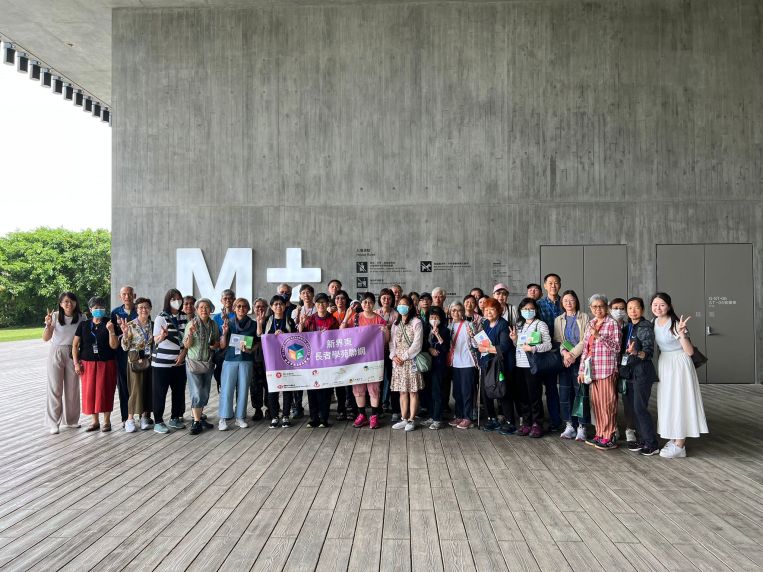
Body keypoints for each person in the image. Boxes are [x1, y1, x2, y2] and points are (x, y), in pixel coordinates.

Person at [651, 292, 708, 458]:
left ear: (669, 306)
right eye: (655, 305)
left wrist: (682, 333)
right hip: (665, 363)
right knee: (669, 401)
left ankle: (680, 444)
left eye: (662, 305)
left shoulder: (676, 323)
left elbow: (689, 351)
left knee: (680, 400)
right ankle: (674, 436)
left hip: (680, 363)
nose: (658, 308)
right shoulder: (653, 322)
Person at [577, 294, 622, 450]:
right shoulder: (591, 323)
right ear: (590, 308)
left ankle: (610, 436)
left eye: (601, 306)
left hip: (607, 370)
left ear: (606, 307)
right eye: (594, 307)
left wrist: (599, 336)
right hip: (592, 371)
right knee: (597, 405)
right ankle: (600, 433)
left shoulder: (612, 323)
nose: (598, 309)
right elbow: (586, 349)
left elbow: (617, 347)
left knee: (607, 405)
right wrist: (581, 371)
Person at [72, 296, 119, 432]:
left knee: (105, 391)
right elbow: (75, 345)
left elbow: (114, 346)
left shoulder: (110, 323)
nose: (98, 310)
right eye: (96, 308)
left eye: (101, 307)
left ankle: (107, 421)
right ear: (90, 309)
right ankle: (94, 421)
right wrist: (76, 363)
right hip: (87, 364)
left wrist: (111, 331)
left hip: (106, 363)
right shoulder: (84, 325)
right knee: (90, 392)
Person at [342, 292, 389, 429]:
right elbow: (342, 332)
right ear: (361, 304)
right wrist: (346, 317)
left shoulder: (379, 320)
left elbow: (386, 341)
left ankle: (374, 416)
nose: (367, 304)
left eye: (370, 302)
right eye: (364, 302)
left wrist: (385, 331)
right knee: (358, 388)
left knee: (374, 388)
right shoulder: (355, 318)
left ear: (374, 303)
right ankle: (362, 415)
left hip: (374, 359)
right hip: (357, 359)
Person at [621, 297, 660, 455]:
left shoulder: (645, 326)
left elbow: (648, 352)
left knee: (640, 408)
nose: (633, 311)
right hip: (629, 372)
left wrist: (636, 352)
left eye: (636, 308)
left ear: (642, 310)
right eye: (630, 308)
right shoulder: (628, 327)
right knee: (633, 408)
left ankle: (652, 443)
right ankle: (643, 439)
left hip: (642, 372)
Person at [509, 298, 552, 438]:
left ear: (536, 310)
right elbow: (519, 345)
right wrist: (514, 339)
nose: (528, 311)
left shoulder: (540, 324)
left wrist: (533, 348)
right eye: (525, 309)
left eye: (530, 309)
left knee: (534, 396)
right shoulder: (519, 325)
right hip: (519, 364)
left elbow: (548, 345)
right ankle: (526, 423)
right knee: (523, 396)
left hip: (532, 365)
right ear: (521, 311)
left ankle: (537, 424)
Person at [42, 292, 84, 434]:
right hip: (57, 352)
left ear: (76, 303)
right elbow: (46, 338)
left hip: (73, 353)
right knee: (55, 388)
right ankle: (54, 423)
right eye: (65, 301)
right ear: (60, 304)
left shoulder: (82, 318)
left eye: (72, 301)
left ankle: (71, 420)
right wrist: (48, 325)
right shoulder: (54, 316)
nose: (69, 304)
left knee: (73, 388)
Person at [553, 290, 589, 441]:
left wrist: (572, 355)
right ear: (562, 303)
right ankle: (569, 425)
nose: (568, 303)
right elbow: (558, 340)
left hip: (580, 360)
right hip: (565, 361)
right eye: (565, 300)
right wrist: (565, 354)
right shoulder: (558, 319)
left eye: (571, 300)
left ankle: (582, 426)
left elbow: (586, 339)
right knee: (565, 394)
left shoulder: (584, 317)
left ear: (576, 301)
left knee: (580, 393)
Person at [151, 289, 188, 434]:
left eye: (179, 299)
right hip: (161, 363)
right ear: (168, 300)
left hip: (179, 362)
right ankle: (158, 421)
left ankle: (175, 418)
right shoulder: (161, 317)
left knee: (178, 392)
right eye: (173, 299)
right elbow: (155, 339)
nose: (177, 302)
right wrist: (162, 336)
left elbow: (187, 340)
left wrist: (183, 355)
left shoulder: (184, 317)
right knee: (160, 393)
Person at [182, 298, 221, 435]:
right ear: (197, 310)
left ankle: (199, 417)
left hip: (208, 363)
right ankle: (196, 422)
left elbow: (216, 343)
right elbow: (187, 345)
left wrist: (214, 345)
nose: (204, 309)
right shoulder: (191, 324)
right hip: (194, 363)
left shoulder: (213, 324)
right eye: (201, 307)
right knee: (197, 392)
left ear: (211, 309)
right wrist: (190, 333)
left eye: (207, 307)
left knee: (204, 392)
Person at [300, 293, 339, 428]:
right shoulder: (310, 319)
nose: (321, 305)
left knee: (325, 390)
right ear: (315, 304)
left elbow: (337, 338)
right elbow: (302, 337)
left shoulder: (333, 320)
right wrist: (301, 325)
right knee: (312, 389)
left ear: (327, 304)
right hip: (312, 360)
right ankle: (314, 418)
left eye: (323, 302)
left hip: (327, 359)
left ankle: (324, 418)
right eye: (318, 302)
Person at [480, 298, 517, 435]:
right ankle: (492, 419)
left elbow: (504, 346)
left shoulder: (503, 324)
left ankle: (510, 422)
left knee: (503, 392)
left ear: (499, 310)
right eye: (486, 310)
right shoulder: (485, 323)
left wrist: (486, 349)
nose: (488, 312)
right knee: (486, 391)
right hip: (487, 363)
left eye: (492, 309)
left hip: (502, 364)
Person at [117, 297, 155, 432]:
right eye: (140, 307)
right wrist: (125, 333)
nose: (143, 310)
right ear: (136, 310)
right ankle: (130, 419)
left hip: (149, 358)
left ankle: (144, 417)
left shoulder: (153, 325)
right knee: (135, 389)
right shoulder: (130, 325)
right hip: (135, 358)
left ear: (150, 309)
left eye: (146, 307)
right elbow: (125, 347)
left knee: (148, 387)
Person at [218, 297, 257, 430]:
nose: (241, 308)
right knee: (227, 389)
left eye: (244, 306)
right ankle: (223, 418)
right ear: (234, 308)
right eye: (238, 306)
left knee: (243, 389)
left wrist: (250, 349)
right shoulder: (228, 323)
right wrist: (224, 333)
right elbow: (222, 345)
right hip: (230, 360)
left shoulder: (253, 324)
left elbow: (257, 343)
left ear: (248, 309)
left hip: (246, 360)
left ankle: (240, 417)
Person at [259, 295, 297, 428]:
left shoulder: (290, 321)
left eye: (281, 304)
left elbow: (295, 338)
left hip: (287, 360)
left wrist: (284, 333)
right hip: (271, 361)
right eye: (275, 304)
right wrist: (260, 325)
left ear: (285, 306)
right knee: (272, 388)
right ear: (271, 307)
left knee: (287, 388)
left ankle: (286, 415)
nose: (278, 306)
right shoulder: (267, 321)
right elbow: (261, 337)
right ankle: (274, 416)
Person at [390, 296, 424, 432]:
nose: (401, 307)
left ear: (410, 306)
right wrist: (393, 356)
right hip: (398, 363)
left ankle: (412, 419)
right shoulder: (395, 323)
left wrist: (404, 357)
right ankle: (404, 418)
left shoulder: (416, 322)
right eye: (399, 304)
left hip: (411, 361)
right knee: (402, 391)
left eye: (404, 304)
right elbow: (392, 343)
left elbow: (417, 344)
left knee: (413, 391)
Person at [536, 273, 563, 431]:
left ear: (560, 285)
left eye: (556, 283)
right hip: (545, 352)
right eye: (550, 283)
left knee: (565, 387)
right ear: (545, 286)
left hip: (565, 350)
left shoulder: (565, 302)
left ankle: (564, 420)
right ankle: (549, 420)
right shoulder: (538, 305)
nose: (553, 286)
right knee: (549, 387)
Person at [447, 302, 480, 429]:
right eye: (453, 310)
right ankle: (459, 415)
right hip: (455, 363)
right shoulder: (449, 326)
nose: (456, 313)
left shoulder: (469, 324)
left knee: (467, 392)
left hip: (468, 363)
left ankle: (468, 417)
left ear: (463, 312)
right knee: (457, 392)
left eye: (459, 310)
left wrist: (472, 336)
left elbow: (477, 344)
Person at [110, 285, 137, 428]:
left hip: (137, 353)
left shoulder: (140, 310)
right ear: (120, 297)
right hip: (121, 354)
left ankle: (143, 415)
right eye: (124, 294)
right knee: (123, 386)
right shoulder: (115, 313)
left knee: (138, 385)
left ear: (134, 296)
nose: (127, 296)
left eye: (129, 294)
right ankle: (125, 418)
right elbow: (112, 334)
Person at [291, 284, 317, 418]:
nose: (306, 295)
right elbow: (293, 330)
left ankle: (315, 408)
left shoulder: (318, 308)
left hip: (316, 347)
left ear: (313, 294)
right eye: (303, 293)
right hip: (300, 347)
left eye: (308, 292)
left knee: (314, 377)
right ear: (300, 296)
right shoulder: (296, 311)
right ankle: (298, 407)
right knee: (299, 378)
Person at [424, 306, 451, 429]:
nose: (433, 319)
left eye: (436, 317)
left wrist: (438, 335)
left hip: (439, 365)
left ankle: (438, 418)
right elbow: (422, 345)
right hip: (427, 364)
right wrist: (429, 349)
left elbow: (445, 348)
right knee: (428, 391)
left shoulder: (445, 330)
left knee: (437, 391)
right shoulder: (426, 329)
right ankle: (431, 415)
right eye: (431, 317)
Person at [377, 288, 399, 417]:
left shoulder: (396, 315)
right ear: (380, 299)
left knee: (392, 380)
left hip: (392, 352)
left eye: (389, 298)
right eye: (384, 297)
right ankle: (378, 408)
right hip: (377, 352)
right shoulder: (375, 313)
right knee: (378, 381)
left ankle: (394, 408)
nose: (386, 300)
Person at [249, 297, 269, 421]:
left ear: (267, 308)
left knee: (269, 385)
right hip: (254, 358)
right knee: (255, 386)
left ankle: (270, 408)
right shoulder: (250, 323)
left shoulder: (271, 321)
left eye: (263, 306)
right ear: (253, 308)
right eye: (257, 307)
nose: (260, 308)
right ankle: (257, 409)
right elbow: (247, 341)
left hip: (269, 359)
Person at [213, 289, 236, 393]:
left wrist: (228, 321)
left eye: (230, 298)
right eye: (225, 298)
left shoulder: (238, 315)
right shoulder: (216, 317)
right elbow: (215, 336)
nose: (227, 300)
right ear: (221, 300)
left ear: (234, 300)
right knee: (222, 381)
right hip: (221, 354)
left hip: (235, 352)